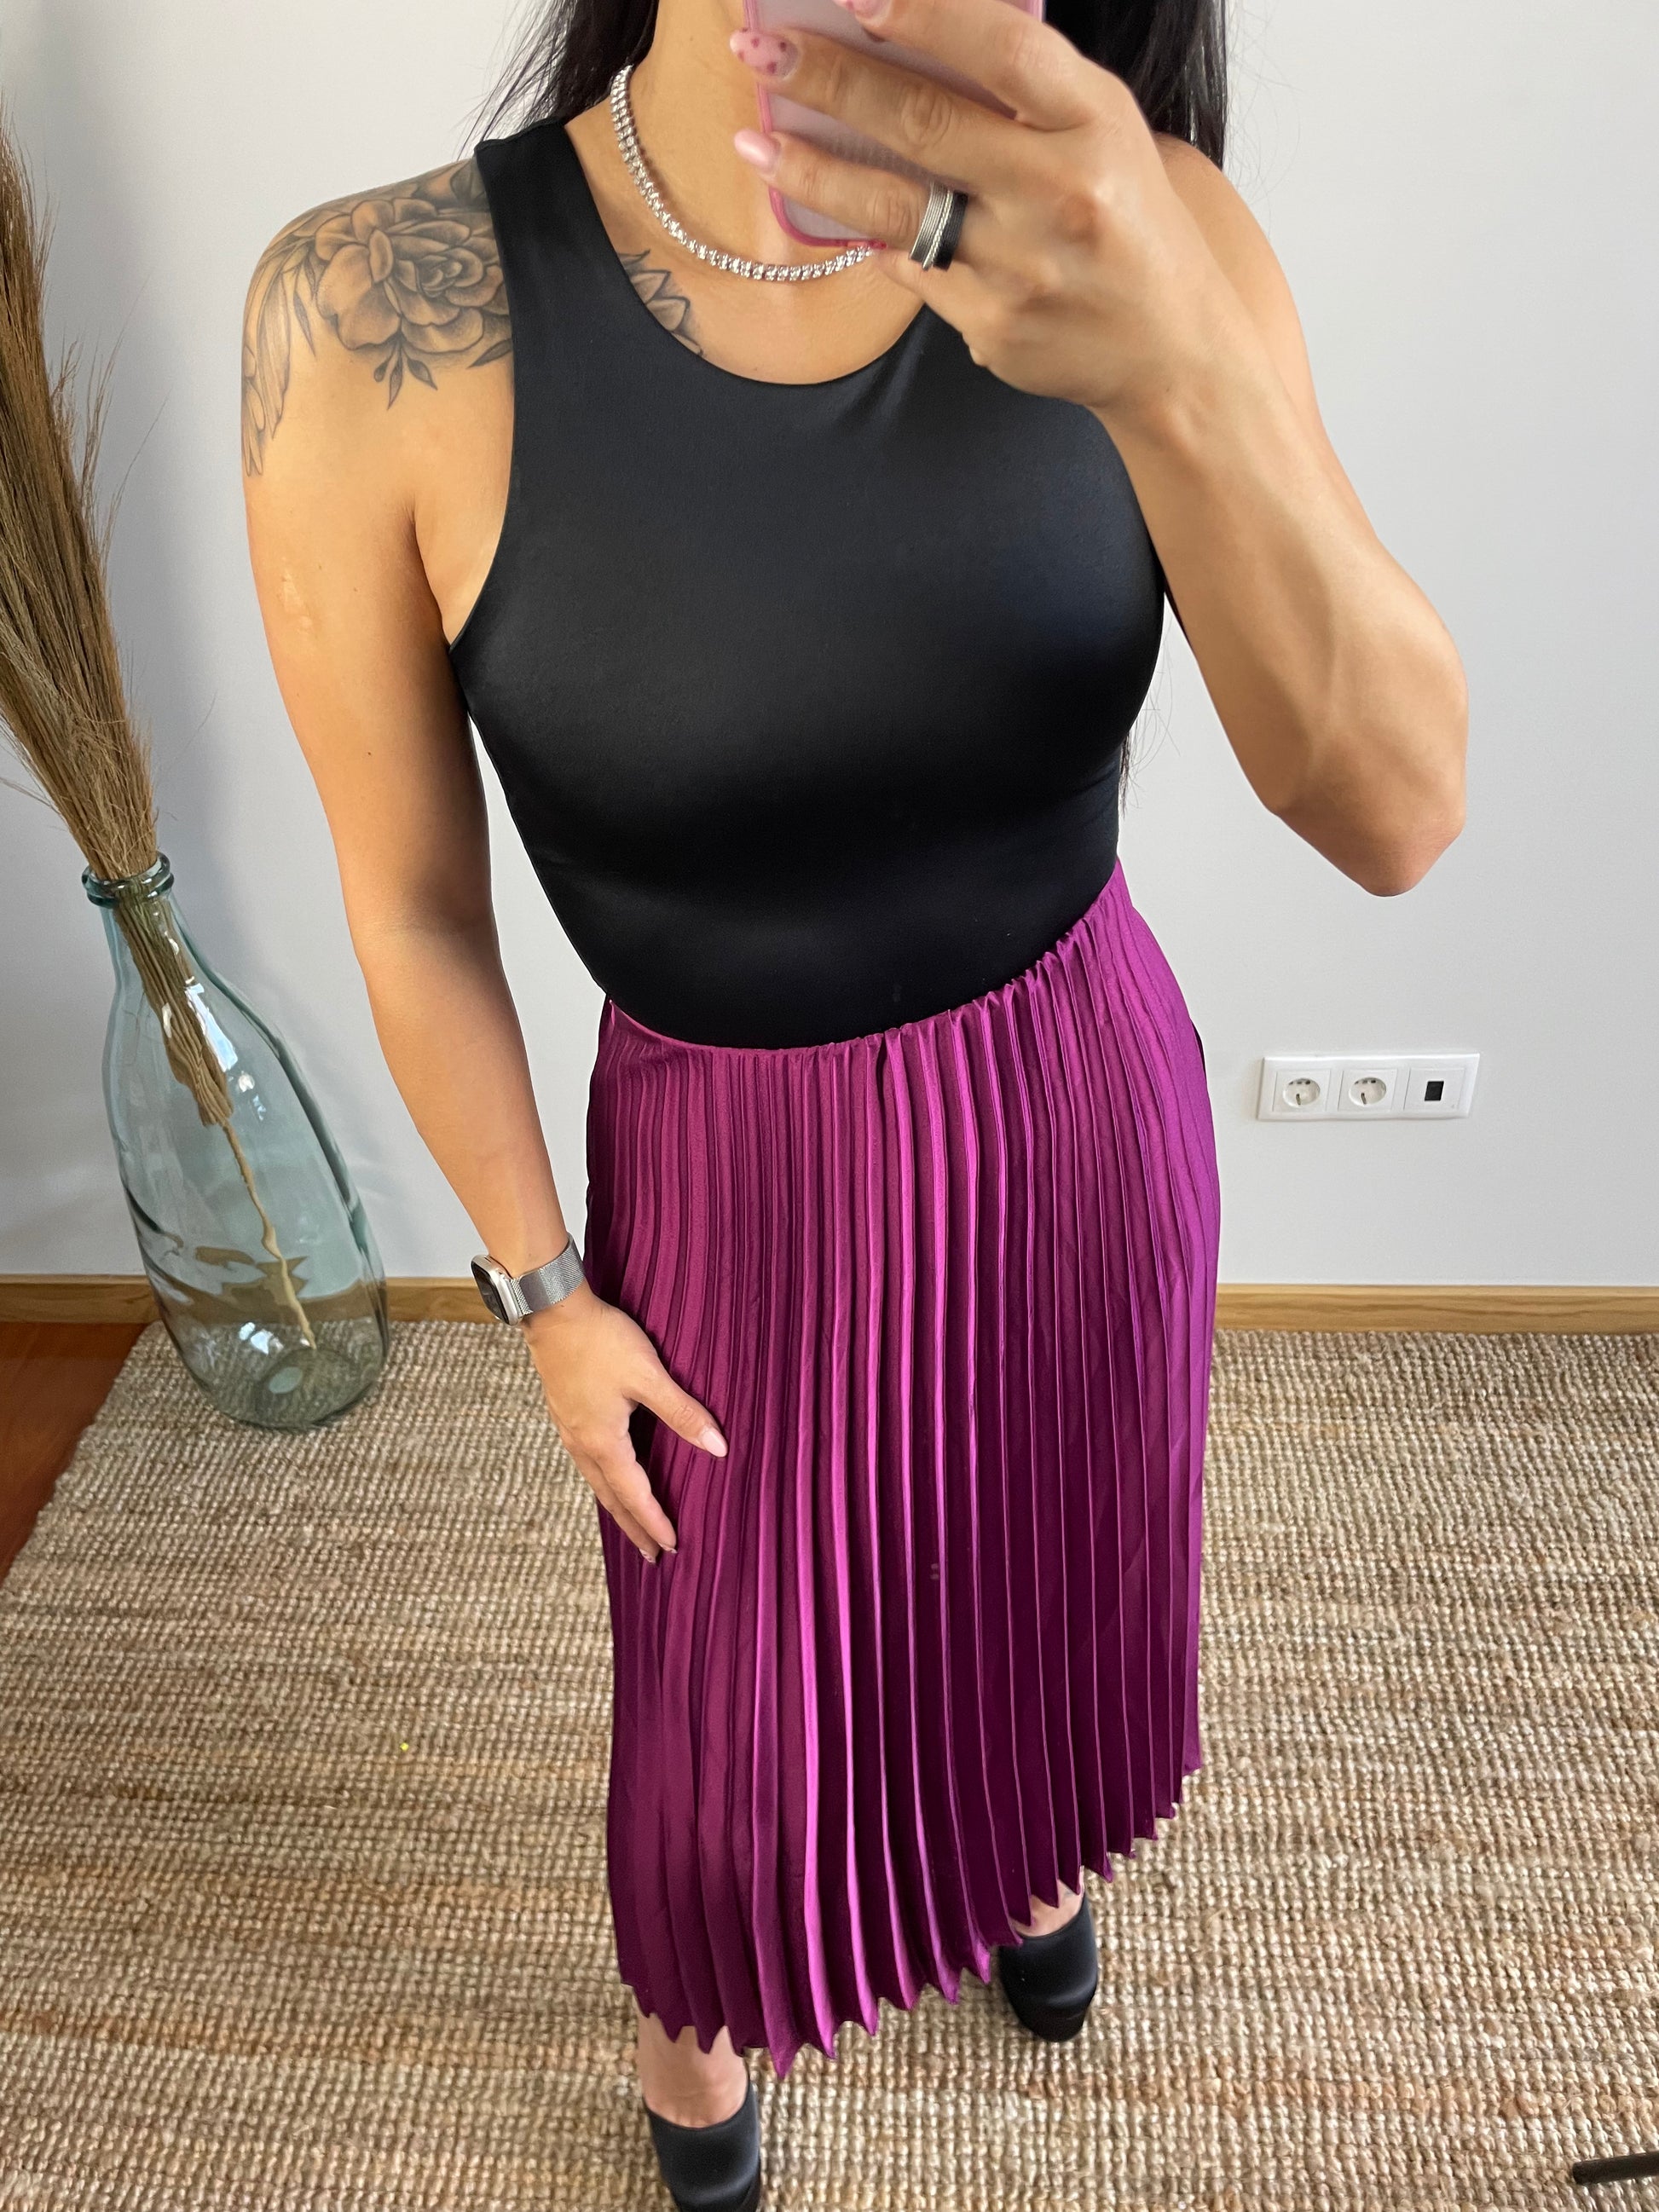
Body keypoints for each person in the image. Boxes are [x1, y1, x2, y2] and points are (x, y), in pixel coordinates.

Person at [240, 0, 1467, 2198]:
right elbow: (410, 899)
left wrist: (1179, 370)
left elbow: (1397, 812)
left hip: (1081, 1115)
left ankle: (1021, 1857)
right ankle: (702, 2034)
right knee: (734, 1721)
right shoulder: (370, 315)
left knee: (1057, 1579)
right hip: (731, 1193)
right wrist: (540, 1291)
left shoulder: (1150, 228)